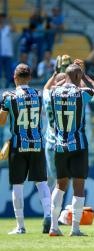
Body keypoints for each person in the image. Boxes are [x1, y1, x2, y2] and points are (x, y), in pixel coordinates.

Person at [48, 64, 94, 237]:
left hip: (59, 145)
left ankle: (53, 226)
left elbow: (51, 87)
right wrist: (86, 78)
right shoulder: (83, 93)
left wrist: (66, 77)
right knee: (79, 187)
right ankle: (75, 229)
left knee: (60, 186)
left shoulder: (54, 92)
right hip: (78, 145)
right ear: (78, 77)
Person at [0, 64, 52, 234]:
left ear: (14, 77)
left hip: (18, 144)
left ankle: (20, 226)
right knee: (42, 182)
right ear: (30, 78)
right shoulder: (38, 95)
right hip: (37, 143)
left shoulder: (9, 96)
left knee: (17, 185)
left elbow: (1, 121)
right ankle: (48, 215)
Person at [42, 72, 66, 190]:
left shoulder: (48, 95)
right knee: (61, 181)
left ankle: (48, 205)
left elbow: (45, 88)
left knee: (52, 178)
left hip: (50, 142)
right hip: (64, 143)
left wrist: (54, 74)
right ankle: (55, 207)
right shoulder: (67, 97)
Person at [0, 13, 16, 88]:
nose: (1, 19)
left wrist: (10, 20)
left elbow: (14, 29)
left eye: (2, 18)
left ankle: (8, 85)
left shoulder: (7, 27)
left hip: (7, 53)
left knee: (8, 71)